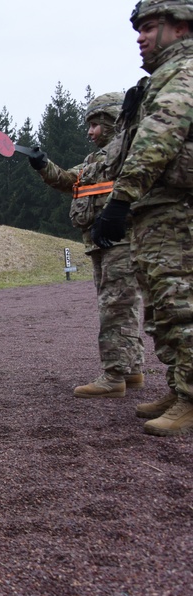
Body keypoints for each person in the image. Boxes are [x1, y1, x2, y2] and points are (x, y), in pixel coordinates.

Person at [91, 0, 193, 435]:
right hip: (157, 207)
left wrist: (120, 200)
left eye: (150, 27)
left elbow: (159, 137)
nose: (140, 37)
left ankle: (191, 396)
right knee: (163, 307)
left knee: (179, 304)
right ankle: (181, 385)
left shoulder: (182, 72)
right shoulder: (161, 79)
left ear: (182, 28)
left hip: (175, 207)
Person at [29, 93, 145, 398]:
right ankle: (130, 371)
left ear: (110, 123)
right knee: (121, 305)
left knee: (115, 307)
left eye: (95, 124)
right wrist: (43, 165)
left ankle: (113, 376)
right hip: (100, 244)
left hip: (122, 240)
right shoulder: (96, 161)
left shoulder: (125, 154)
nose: (89, 131)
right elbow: (69, 180)